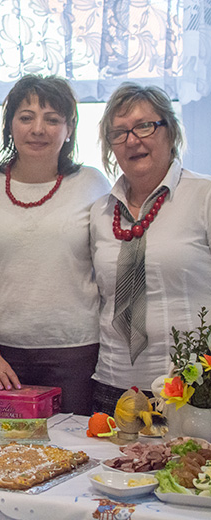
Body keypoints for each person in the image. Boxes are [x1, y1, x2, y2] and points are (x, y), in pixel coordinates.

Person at [0, 75, 111, 415]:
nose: (38, 128)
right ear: (10, 125)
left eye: (52, 119)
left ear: (69, 129)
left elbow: (112, 269)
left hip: (78, 355)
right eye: (26, 117)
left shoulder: (93, 184)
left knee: (77, 457)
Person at [90, 83, 211, 416]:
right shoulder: (99, 212)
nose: (132, 140)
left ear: (169, 131)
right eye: (119, 132)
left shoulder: (204, 197)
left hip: (190, 393)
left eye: (144, 126)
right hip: (112, 388)